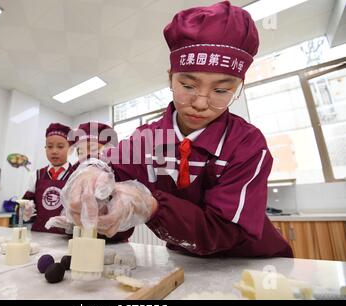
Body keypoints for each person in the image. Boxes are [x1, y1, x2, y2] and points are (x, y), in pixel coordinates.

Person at [60, 1, 293, 258]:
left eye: (221, 90)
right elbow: (109, 165)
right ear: (170, 77)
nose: (201, 103)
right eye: (188, 85)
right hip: (187, 263)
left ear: (238, 86)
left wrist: (151, 206)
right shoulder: (147, 140)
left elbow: (224, 230)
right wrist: (91, 173)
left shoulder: (247, 145)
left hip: (251, 263)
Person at [21, 123, 74, 233]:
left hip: (66, 236)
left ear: (70, 149)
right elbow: (25, 205)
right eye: (49, 147)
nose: (54, 151)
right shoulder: (36, 175)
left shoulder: (76, 174)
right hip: (39, 234)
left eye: (60, 146)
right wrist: (24, 210)